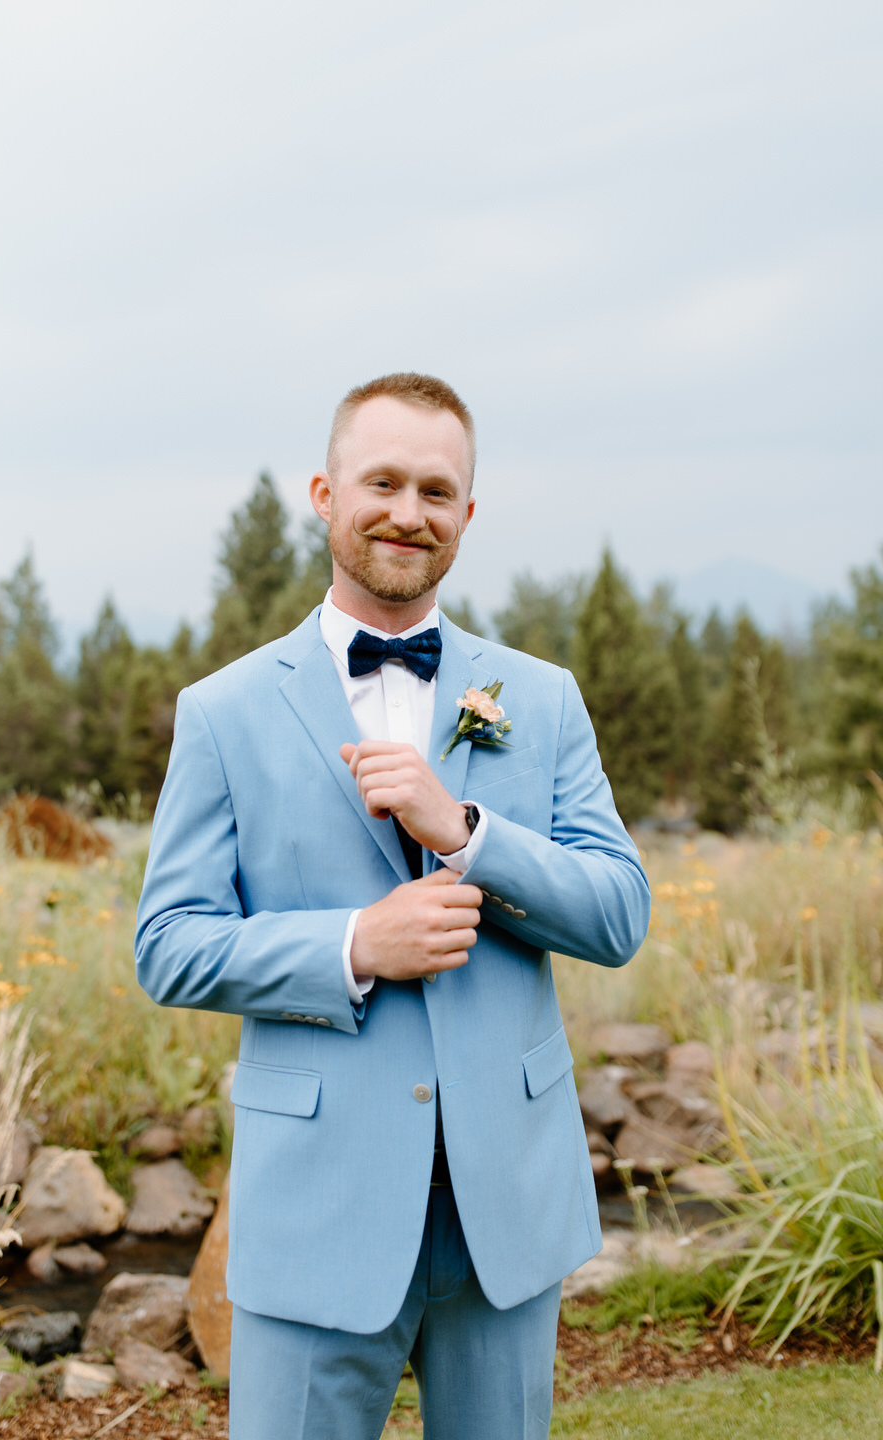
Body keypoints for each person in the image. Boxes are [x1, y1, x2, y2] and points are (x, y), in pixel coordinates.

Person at [135, 372, 650, 1440]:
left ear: (467, 512)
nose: (408, 512)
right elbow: (169, 947)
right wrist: (356, 944)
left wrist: (470, 836)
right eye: (382, 482)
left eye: (435, 489)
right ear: (325, 493)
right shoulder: (223, 711)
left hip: (505, 1210)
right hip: (317, 1207)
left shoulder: (538, 697)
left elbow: (617, 913)